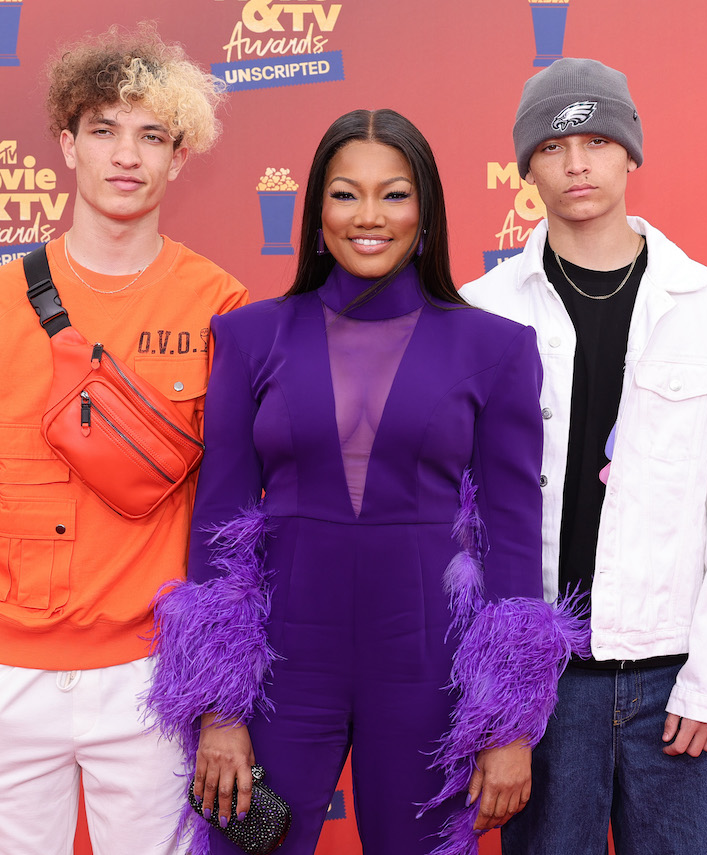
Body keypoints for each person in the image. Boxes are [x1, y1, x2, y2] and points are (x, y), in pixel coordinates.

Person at [146, 109, 588, 855]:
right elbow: (219, 525)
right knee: (250, 847)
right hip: (276, 685)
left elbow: (512, 538)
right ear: (317, 210)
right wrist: (219, 710)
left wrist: (508, 722)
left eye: (395, 194)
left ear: (426, 212)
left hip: (429, 681)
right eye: (346, 194)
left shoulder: (498, 348)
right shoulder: (249, 339)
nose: (370, 217)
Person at [0, 24, 247, 855]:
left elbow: (238, 516)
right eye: (103, 130)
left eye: (152, 136)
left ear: (179, 158)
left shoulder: (222, 305)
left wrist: (214, 687)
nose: (126, 155)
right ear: (67, 145)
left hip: (149, 678)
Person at [462, 58, 707, 854]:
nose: (577, 163)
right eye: (555, 145)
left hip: (674, 680)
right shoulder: (481, 311)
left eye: (598, 140)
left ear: (630, 153)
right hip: (543, 686)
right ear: (527, 165)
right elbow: (465, 527)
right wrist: (497, 698)